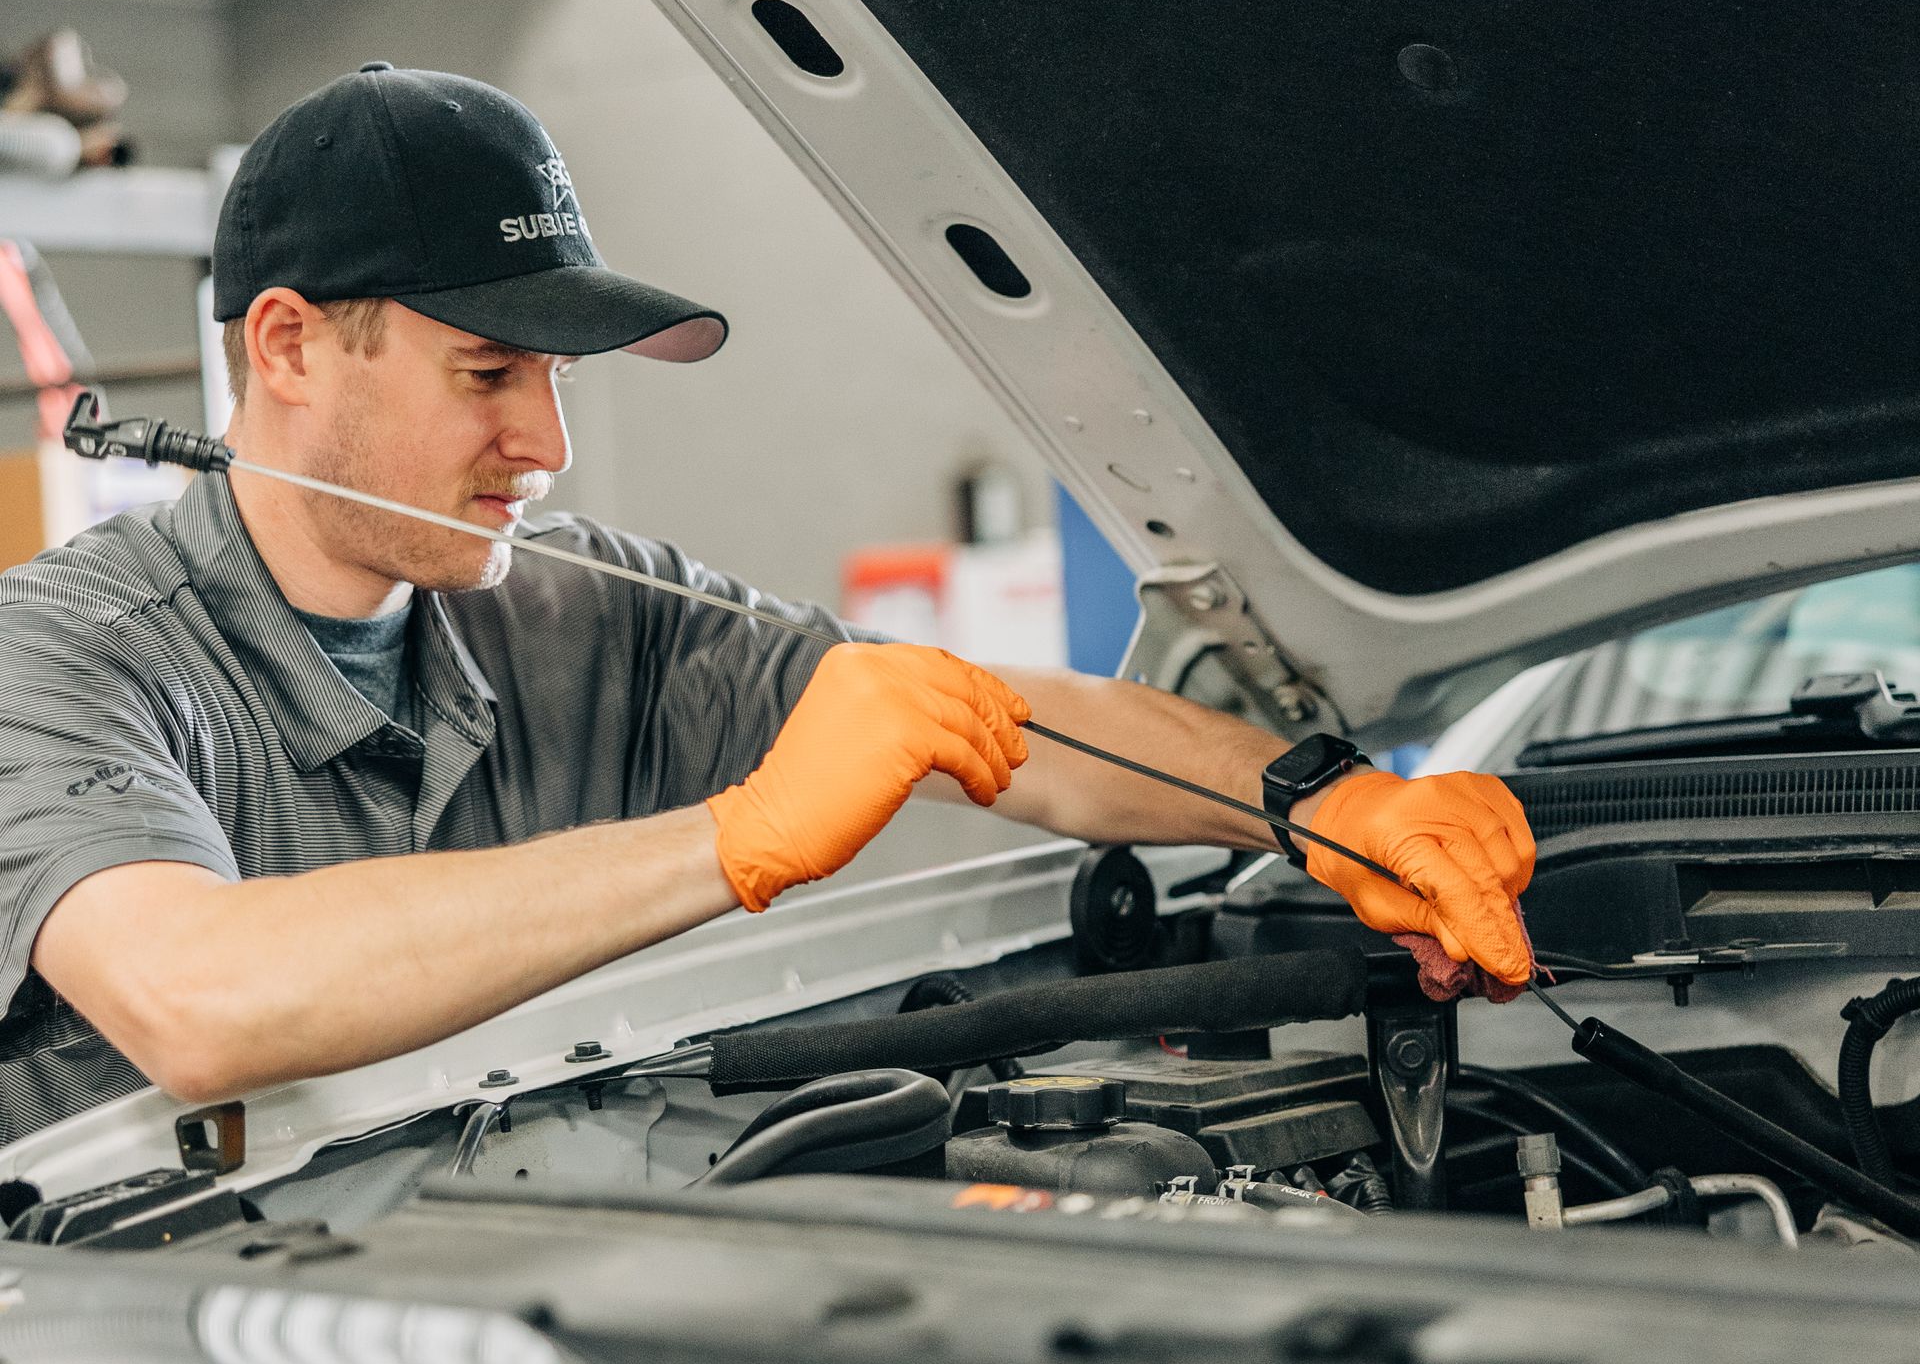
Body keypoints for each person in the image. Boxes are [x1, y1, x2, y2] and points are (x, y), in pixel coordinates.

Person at [0, 64, 1534, 1142]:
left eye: (556, 377)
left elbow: (986, 722)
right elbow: (195, 996)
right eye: (489, 374)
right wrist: (724, 845)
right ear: (284, 348)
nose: (546, 444)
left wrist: (1326, 804)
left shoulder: (584, 615)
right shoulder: (63, 662)